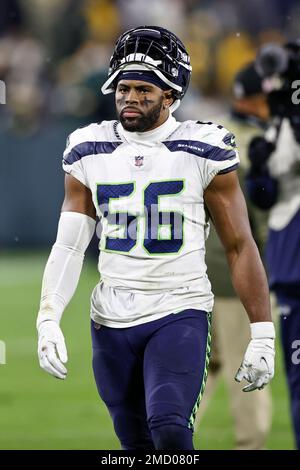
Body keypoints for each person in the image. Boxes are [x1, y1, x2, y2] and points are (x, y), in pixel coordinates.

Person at [37, 26, 275, 451]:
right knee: (134, 443)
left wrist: (262, 333)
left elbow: (240, 245)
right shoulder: (87, 148)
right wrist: (49, 316)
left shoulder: (203, 147)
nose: (130, 98)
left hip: (178, 306)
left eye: (144, 90)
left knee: (169, 428)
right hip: (110, 315)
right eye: (123, 88)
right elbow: (70, 245)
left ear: (170, 94)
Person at [195, 63, 272, 450]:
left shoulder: (209, 130)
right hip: (238, 271)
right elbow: (262, 220)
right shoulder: (267, 140)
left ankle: (161, 441)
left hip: (198, 267)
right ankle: (249, 445)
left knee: (204, 363)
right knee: (250, 366)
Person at [246, 42, 300, 449]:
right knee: (298, 381)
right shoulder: (278, 122)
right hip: (290, 260)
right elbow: (265, 197)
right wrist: (259, 168)